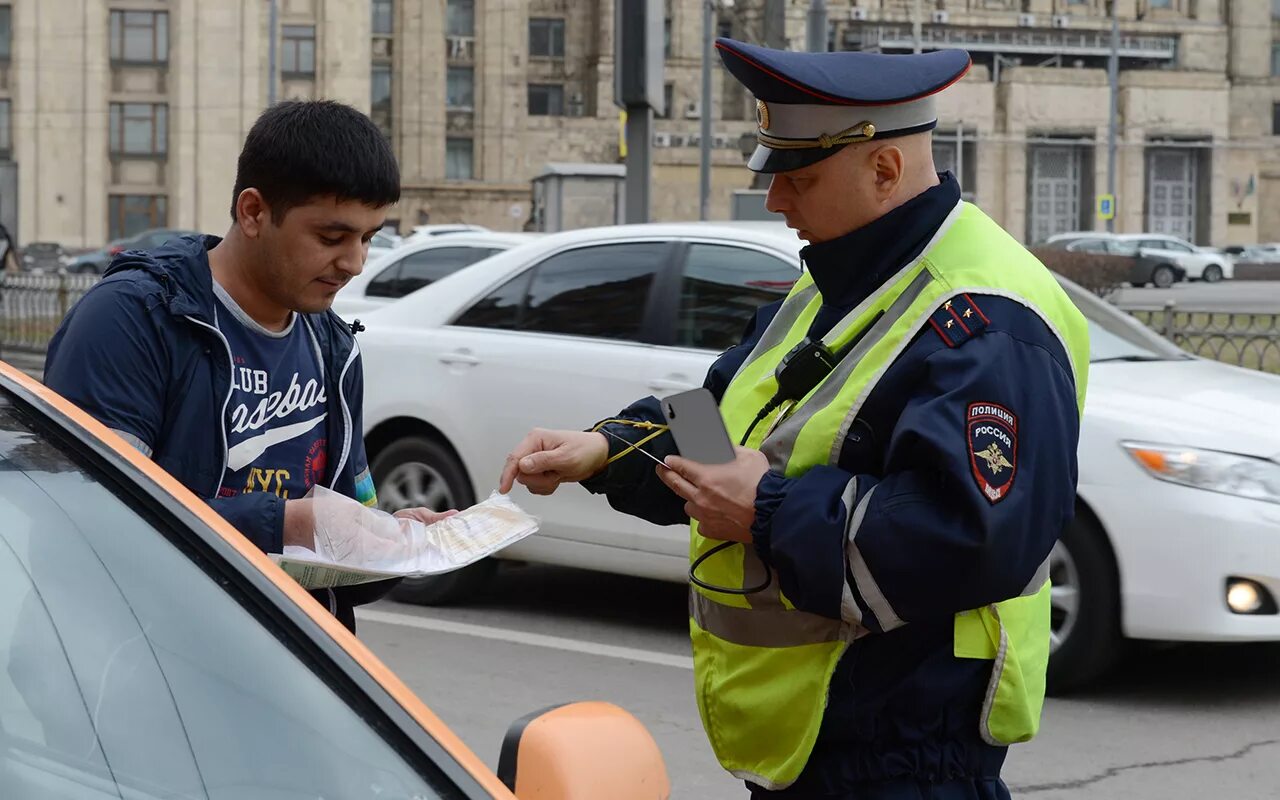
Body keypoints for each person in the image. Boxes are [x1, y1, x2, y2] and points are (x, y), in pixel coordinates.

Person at [500, 40, 1090, 800]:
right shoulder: (840, 275)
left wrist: (767, 510)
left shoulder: (986, 316)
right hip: (818, 748)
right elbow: (729, 421)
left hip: (906, 756)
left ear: (884, 170)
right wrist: (607, 450)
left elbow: (975, 535)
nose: (777, 203)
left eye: (799, 178)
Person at [43, 100, 450, 632]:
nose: (353, 263)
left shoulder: (333, 346)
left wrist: (397, 543)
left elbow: (338, 546)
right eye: (331, 238)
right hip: (142, 665)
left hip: (287, 664)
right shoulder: (135, 318)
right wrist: (286, 524)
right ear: (253, 212)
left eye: (367, 238)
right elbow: (94, 515)